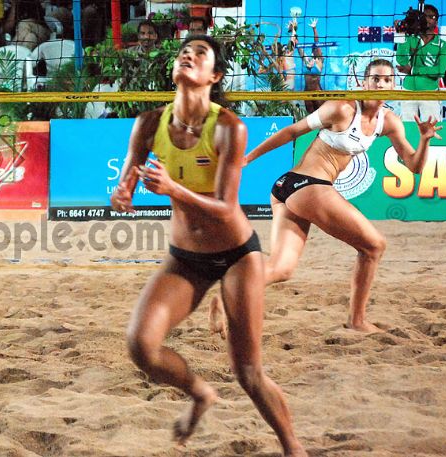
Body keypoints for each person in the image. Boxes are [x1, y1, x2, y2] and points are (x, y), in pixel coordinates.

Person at [111, 35, 306, 456]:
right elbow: (127, 176)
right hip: (186, 259)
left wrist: (173, 189)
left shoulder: (228, 127)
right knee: (141, 346)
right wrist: (122, 192)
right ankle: (199, 392)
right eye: (184, 51)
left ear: (214, 76)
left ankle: (294, 448)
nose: (188, 54)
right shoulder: (149, 124)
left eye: (200, 53)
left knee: (248, 372)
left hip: (237, 255)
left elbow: (225, 207)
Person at [214, 59, 439, 334]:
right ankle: (357, 321)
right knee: (374, 246)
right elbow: (292, 131)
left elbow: (414, 166)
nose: (380, 84)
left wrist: (425, 140)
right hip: (306, 184)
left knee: (281, 269)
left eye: (387, 80)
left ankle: (227, 292)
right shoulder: (342, 108)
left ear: (394, 85)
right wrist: (249, 158)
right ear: (363, 83)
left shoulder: (389, 122)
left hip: (292, 190)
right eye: (375, 79)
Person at [395, 4, 446, 122]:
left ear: (436, 21)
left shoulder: (444, 46)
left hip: (429, 93)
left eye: (431, 17)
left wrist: (413, 70)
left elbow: (440, 71)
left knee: (431, 128)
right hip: (408, 90)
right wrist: (400, 34)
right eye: (424, 16)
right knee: (407, 128)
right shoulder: (410, 39)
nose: (427, 19)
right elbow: (401, 60)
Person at [297, 18, 323, 113]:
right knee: (310, 114)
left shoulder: (319, 60)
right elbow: (299, 48)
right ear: (313, 51)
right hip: (307, 93)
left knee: (319, 115)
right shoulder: (307, 60)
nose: (319, 50)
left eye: (318, 49)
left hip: (317, 93)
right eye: (316, 49)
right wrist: (294, 31)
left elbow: (317, 42)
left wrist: (314, 29)